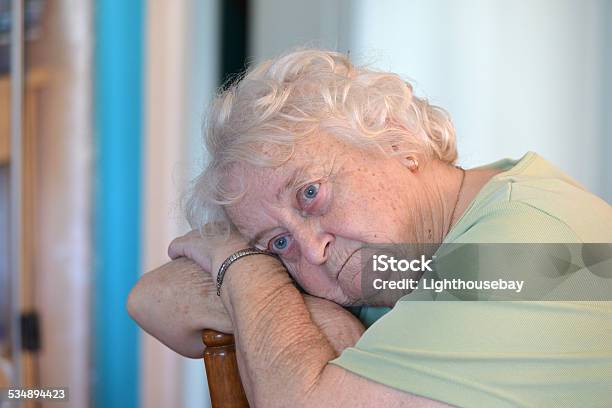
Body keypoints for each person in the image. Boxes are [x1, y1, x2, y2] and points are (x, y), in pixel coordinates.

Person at [128, 49, 612, 407]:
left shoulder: (538, 248)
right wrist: (322, 319)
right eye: (280, 243)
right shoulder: (416, 250)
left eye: (311, 193)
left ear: (397, 139)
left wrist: (244, 265)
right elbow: (150, 299)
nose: (313, 250)